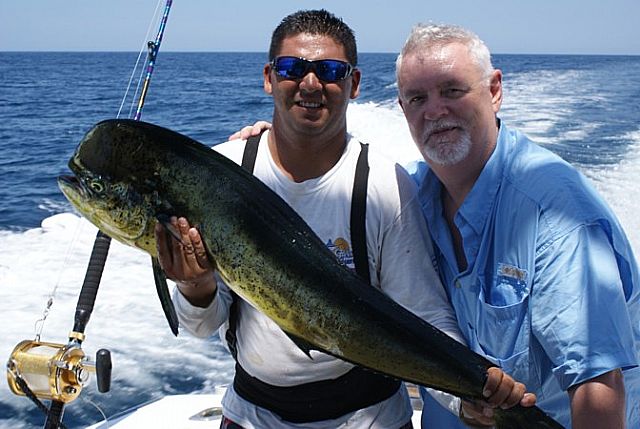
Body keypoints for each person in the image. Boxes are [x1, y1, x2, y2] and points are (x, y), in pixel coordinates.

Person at [155, 10, 533, 429]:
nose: (311, 83)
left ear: (353, 84)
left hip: (369, 419)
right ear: (269, 77)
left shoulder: (386, 187)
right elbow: (204, 327)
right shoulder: (223, 174)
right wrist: (194, 285)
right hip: (252, 417)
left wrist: (467, 396)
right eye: (292, 68)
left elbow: (424, 316)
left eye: (331, 71)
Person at [395, 23, 640, 428]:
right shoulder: (407, 197)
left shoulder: (558, 215)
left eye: (452, 91)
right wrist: (264, 149)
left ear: (494, 91)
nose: (435, 111)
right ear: (404, 110)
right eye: (417, 98)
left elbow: (598, 387)